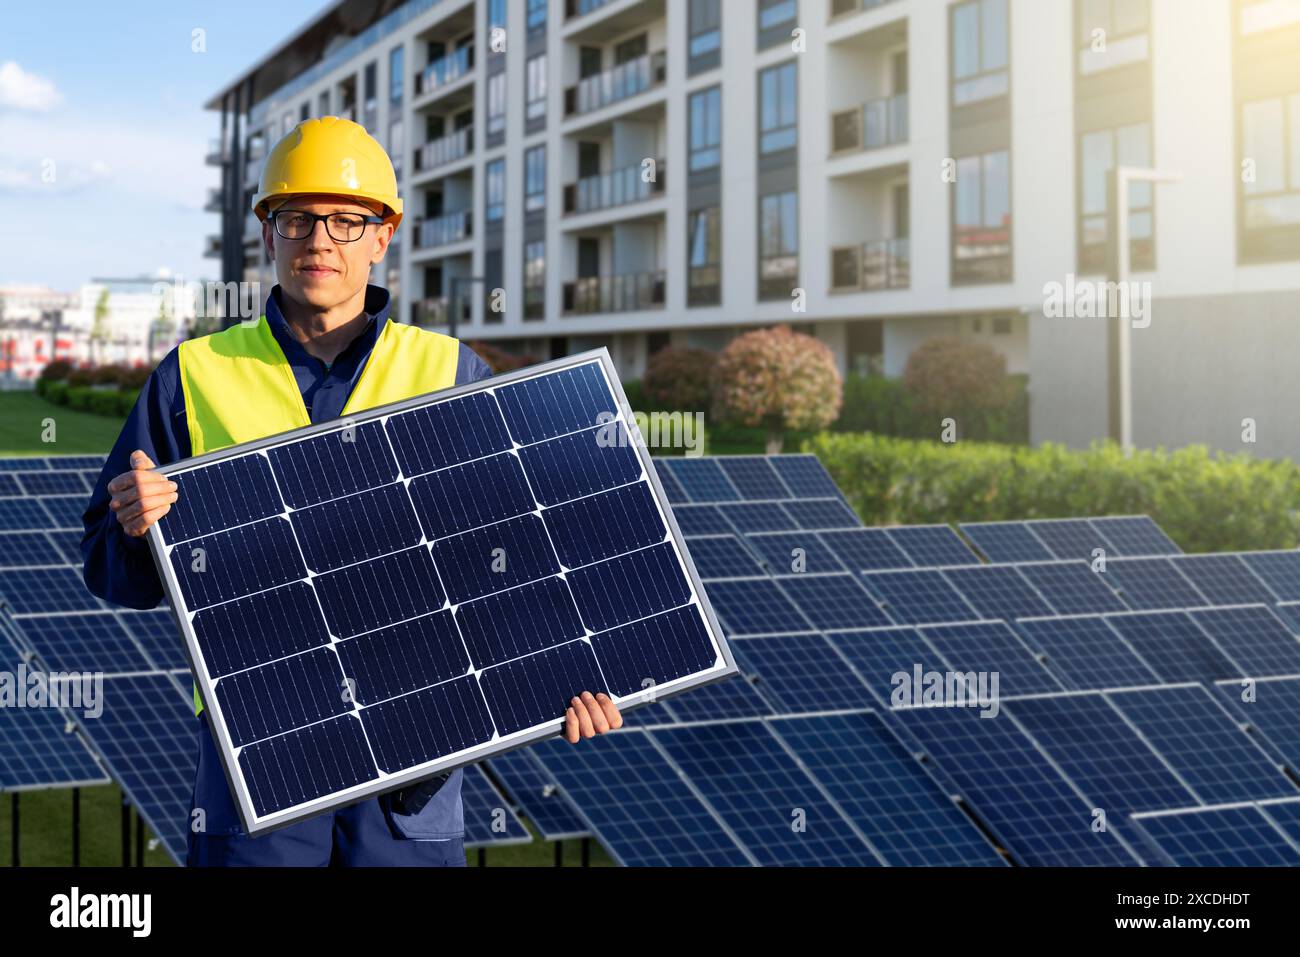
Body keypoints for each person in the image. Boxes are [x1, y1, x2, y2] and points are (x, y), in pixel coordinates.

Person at [80, 116, 621, 867]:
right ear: (268, 233)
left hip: (417, 760)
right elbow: (107, 566)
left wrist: (569, 672)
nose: (320, 240)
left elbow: (525, 554)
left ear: (383, 234)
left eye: (347, 219)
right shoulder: (192, 377)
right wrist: (135, 526)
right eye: (296, 217)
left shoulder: (452, 373)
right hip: (256, 757)